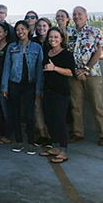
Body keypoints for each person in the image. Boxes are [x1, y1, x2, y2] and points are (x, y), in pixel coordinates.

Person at [67, 6, 103, 146]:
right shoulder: (69, 33)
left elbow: (98, 52)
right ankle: (78, 133)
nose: (77, 16)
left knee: (97, 105)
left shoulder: (94, 31)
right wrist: (76, 71)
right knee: (76, 106)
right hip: (74, 75)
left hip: (92, 74)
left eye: (79, 14)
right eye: (74, 14)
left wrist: (86, 69)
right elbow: (67, 54)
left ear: (86, 16)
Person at [2, 20, 44, 155]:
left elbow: (39, 70)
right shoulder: (11, 47)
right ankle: (19, 141)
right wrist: (5, 87)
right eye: (18, 30)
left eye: (22, 29)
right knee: (15, 113)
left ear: (28, 30)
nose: (20, 32)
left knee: (29, 114)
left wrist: (39, 88)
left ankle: (31, 142)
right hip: (14, 83)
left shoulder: (37, 47)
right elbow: (6, 67)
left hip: (30, 85)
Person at [40, 27, 76, 163]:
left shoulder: (66, 54)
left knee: (60, 121)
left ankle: (63, 151)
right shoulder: (46, 53)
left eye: (56, 37)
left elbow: (71, 72)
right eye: (50, 37)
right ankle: (54, 147)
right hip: (47, 91)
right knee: (49, 120)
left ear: (61, 38)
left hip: (61, 93)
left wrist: (55, 68)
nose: (52, 39)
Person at [32, 17, 52, 146]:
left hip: (51, 79)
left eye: (44, 26)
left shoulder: (54, 41)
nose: (41, 28)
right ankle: (42, 134)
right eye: (39, 26)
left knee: (49, 109)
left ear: (49, 27)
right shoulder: (32, 42)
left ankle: (51, 136)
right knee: (37, 107)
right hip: (35, 78)